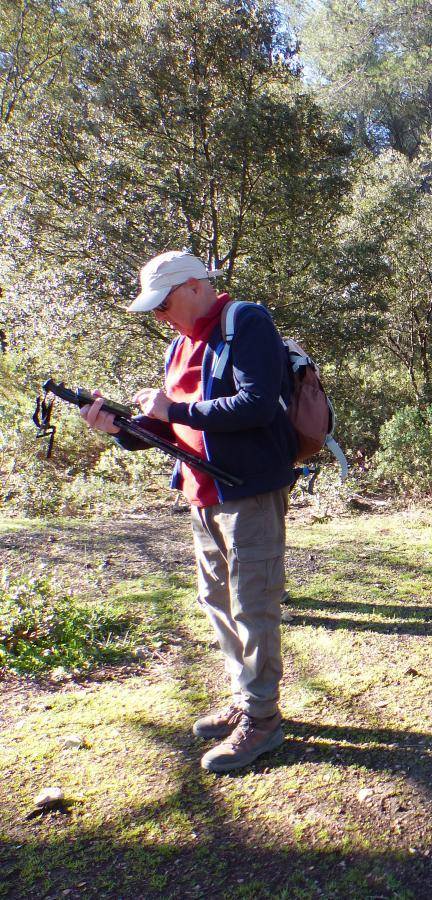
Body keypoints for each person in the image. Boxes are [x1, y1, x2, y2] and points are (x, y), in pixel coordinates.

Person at [79, 250, 296, 772]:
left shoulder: (245, 322)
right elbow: (170, 432)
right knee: (217, 601)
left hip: (247, 492)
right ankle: (247, 699)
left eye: (163, 302)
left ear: (196, 286)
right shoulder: (179, 346)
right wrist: (121, 428)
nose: (158, 315)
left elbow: (257, 404)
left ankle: (263, 721)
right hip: (201, 494)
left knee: (252, 603)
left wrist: (171, 408)